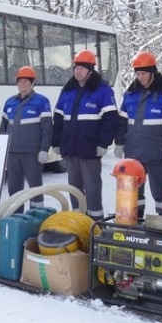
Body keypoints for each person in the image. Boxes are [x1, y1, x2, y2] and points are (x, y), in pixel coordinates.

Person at [114, 51, 162, 217]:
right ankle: (135, 221)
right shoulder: (131, 94)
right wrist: (119, 143)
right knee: (133, 191)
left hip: (157, 152)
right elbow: (122, 122)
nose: (140, 77)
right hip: (133, 153)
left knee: (160, 189)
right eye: (138, 73)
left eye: (143, 73)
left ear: (153, 72)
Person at [52, 50, 118, 221]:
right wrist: (56, 141)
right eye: (76, 68)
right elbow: (58, 119)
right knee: (74, 187)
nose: (78, 71)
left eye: (82, 68)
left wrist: (104, 144)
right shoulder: (67, 91)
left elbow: (111, 120)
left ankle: (95, 222)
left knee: (92, 187)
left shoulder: (102, 91)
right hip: (71, 149)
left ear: (90, 70)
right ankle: (77, 220)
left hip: (90, 150)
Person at [0, 66, 53, 213]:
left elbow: (47, 128)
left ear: (32, 83)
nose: (22, 84)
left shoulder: (41, 101)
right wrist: (1, 149)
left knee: (35, 189)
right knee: (14, 189)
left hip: (32, 154)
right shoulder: (10, 102)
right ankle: (17, 219)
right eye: (20, 81)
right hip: (13, 153)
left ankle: (36, 216)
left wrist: (44, 149)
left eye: (26, 81)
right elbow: (3, 128)